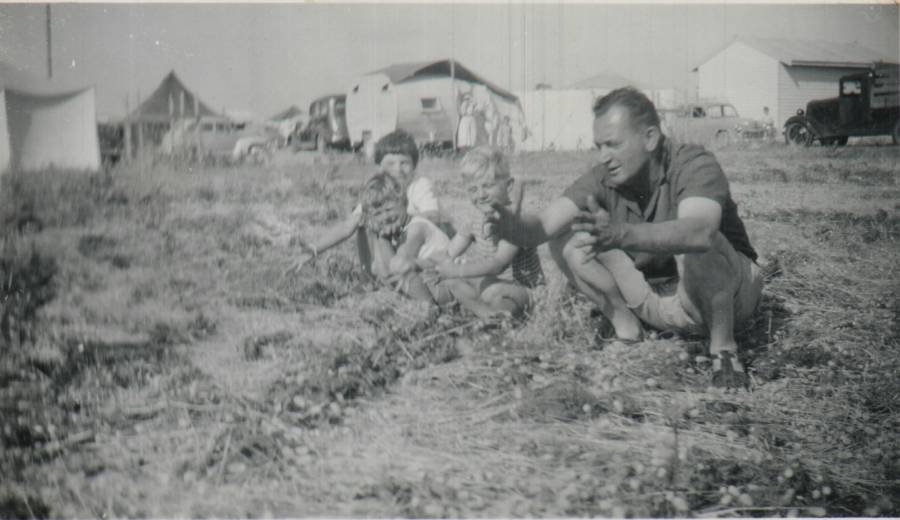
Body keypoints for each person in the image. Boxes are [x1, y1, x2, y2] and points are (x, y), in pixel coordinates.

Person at [487, 87, 763, 389]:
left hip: (726, 301)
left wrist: (621, 234)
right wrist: (514, 226)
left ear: (650, 138)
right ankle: (628, 329)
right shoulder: (604, 177)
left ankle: (723, 351)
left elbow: (700, 232)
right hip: (653, 298)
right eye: (598, 146)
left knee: (697, 244)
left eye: (613, 144)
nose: (603, 157)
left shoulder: (694, 163)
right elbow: (543, 226)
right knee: (568, 239)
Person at [288, 129, 440, 279]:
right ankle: (371, 274)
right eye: (391, 163)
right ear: (379, 167)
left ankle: (397, 275)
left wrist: (399, 220)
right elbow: (348, 226)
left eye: (404, 163)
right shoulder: (381, 189)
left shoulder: (419, 185)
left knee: (385, 223)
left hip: (422, 251)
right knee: (364, 221)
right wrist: (314, 249)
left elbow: (433, 216)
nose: (398, 169)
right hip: (395, 247)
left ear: (414, 166)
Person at [433, 146, 543, 320]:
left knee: (493, 290)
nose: (481, 195)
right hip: (490, 284)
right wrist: (423, 264)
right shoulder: (474, 217)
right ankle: (485, 314)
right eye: (473, 189)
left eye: (488, 186)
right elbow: (449, 252)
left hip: (522, 289)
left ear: (508, 185)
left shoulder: (512, 221)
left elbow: (497, 264)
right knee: (452, 282)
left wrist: (456, 270)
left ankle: (496, 315)